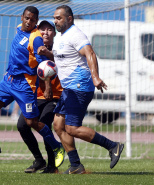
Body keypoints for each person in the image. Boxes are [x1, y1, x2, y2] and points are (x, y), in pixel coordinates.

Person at [0, 6, 65, 169]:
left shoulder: (36, 38)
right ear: (22, 17)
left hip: (25, 84)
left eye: (32, 20)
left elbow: (44, 65)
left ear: (36, 22)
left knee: (31, 122)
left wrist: (47, 85)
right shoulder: (19, 28)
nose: (29, 22)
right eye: (27, 18)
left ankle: (57, 146)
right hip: (9, 80)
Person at [52, 5, 124, 174]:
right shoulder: (61, 37)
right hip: (68, 88)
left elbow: (90, 54)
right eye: (54, 18)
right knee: (58, 125)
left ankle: (113, 146)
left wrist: (95, 77)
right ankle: (76, 165)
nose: (55, 21)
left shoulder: (76, 34)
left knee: (71, 128)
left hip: (79, 86)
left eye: (59, 18)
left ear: (69, 18)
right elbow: (64, 58)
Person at [17, 20, 63, 174]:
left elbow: (61, 62)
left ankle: (52, 166)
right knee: (22, 125)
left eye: (49, 29)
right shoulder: (33, 49)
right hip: (36, 96)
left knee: (44, 124)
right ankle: (39, 160)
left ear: (54, 33)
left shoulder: (59, 49)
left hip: (55, 96)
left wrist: (47, 54)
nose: (45, 32)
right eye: (42, 29)